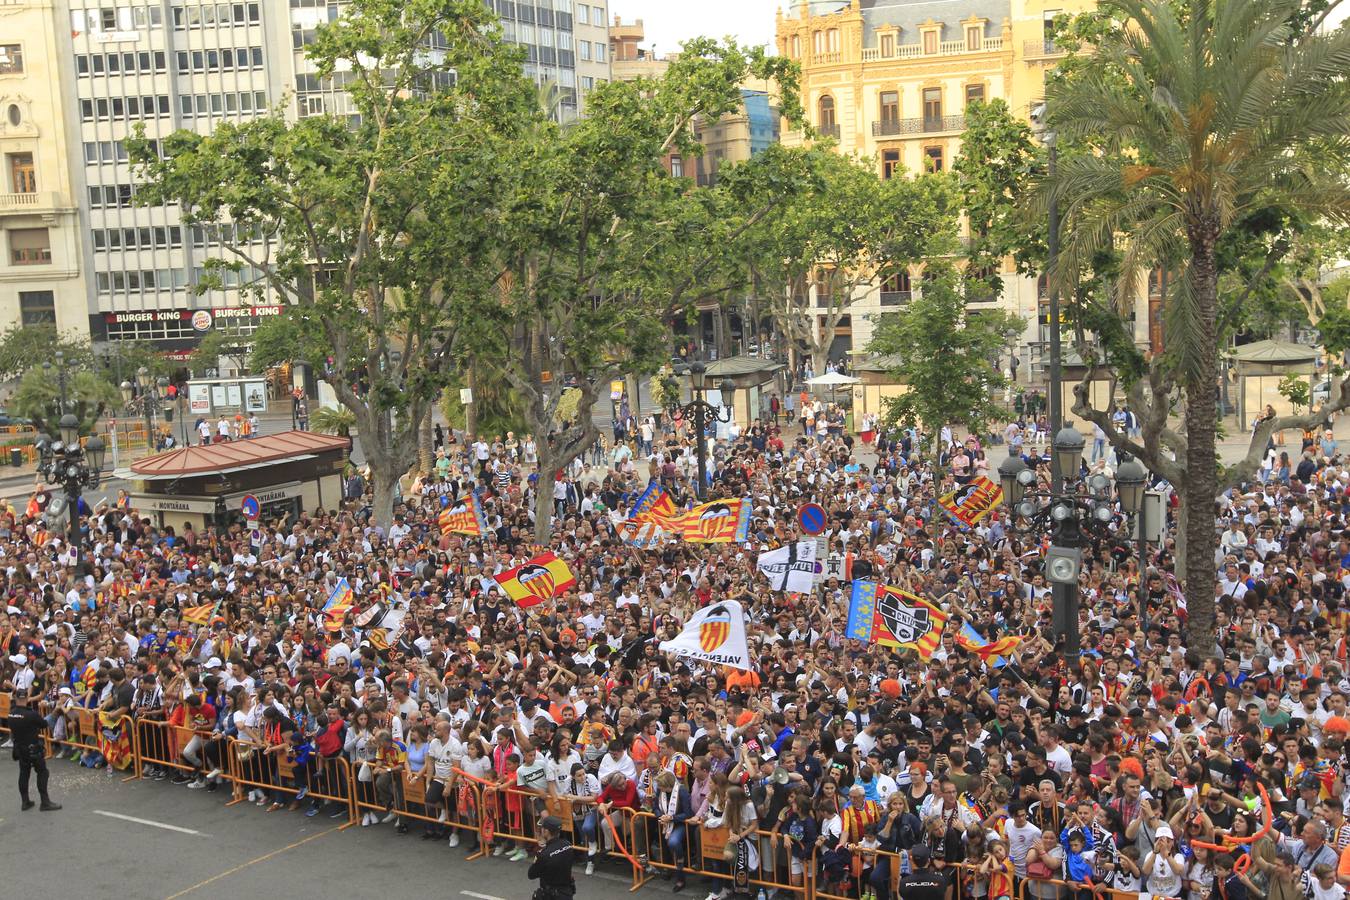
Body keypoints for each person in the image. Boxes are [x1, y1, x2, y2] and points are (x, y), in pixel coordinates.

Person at [7, 689, 61, 811]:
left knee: (24, 773)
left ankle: (25, 801)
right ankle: (45, 802)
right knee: (43, 772)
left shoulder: (11, 713)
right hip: (32, 748)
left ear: (16, 698)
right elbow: (43, 724)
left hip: (20, 748)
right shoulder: (30, 714)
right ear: (27, 698)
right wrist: (53, 714)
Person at [528, 814, 576, 899]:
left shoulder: (543, 854)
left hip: (551, 895)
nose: (541, 830)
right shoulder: (568, 845)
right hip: (567, 893)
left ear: (546, 831)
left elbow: (531, 874)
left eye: (542, 828)